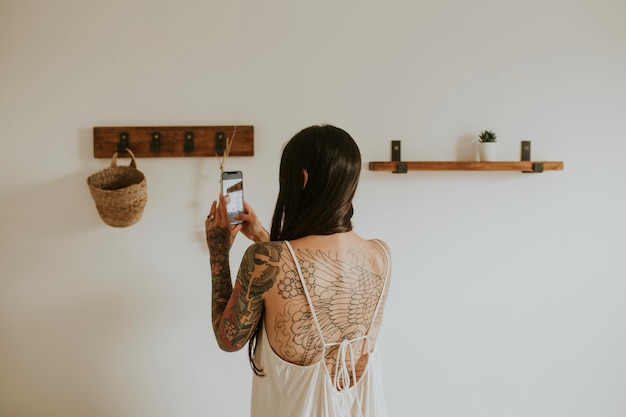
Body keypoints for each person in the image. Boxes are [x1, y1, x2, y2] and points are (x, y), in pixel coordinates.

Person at [205, 124, 391, 417]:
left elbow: (228, 339)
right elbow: (311, 276)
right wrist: (262, 236)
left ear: (302, 179)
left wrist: (218, 252)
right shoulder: (380, 256)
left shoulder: (265, 260)